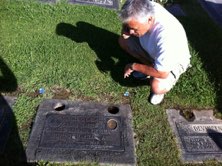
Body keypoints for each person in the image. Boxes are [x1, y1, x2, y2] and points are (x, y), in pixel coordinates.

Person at [119, 0, 191, 105]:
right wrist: (125, 29)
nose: (130, 32)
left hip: (173, 62)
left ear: (150, 19)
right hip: (152, 48)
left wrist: (133, 66)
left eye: (134, 29)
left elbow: (162, 73)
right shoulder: (143, 6)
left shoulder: (167, 36)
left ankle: (160, 78)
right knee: (123, 41)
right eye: (129, 27)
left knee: (157, 86)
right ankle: (149, 66)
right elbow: (127, 27)